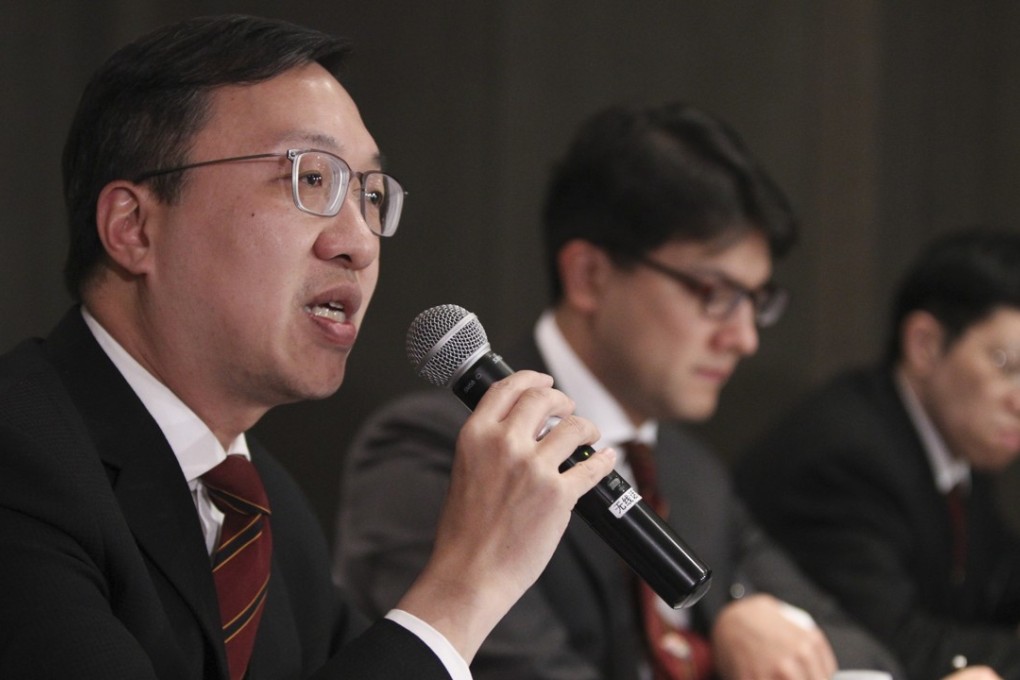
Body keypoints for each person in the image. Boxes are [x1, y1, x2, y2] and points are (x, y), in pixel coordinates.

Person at [0, 14, 618, 680]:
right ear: (135, 227)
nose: (357, 242)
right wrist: (467, 586)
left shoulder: (266, 510)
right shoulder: (20, 460)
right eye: (312, 180)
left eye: (370, 193)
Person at [335, 101, 904, 679]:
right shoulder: (445, 449)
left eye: (757, 302)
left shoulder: (689, 469)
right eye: (716, 292)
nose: (744, 337)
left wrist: (748, 613)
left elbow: (856, 644)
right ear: (590, 275)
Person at [734, 228, 1020, 679]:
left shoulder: (962, 440)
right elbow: (893, 645)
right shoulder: (844, 454)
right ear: (925, 345)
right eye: (1007, 365)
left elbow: (997, 586)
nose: (1019, 400)